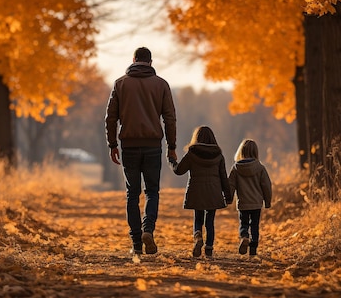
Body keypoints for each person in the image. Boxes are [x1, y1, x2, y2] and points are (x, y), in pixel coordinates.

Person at [105, 47, 177, 256]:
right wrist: (171, 147)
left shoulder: (120, 84)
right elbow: (170, 118)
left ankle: (136, 243)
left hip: (129, 146)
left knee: (132, 194)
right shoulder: (161, 85)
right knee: (152, 191)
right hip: (153, 145)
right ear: (151, 62)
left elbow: (110, 117)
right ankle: (148, 230)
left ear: (134, 60)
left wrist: (112, 144)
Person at [169, 126, 230, 258]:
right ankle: (208, 250)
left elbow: (179, 170)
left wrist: (172, 161)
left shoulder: (192, 154)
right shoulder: (218, 156)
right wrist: (228, 195)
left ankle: (197, 236)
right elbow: (223, 177)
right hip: (214, 192)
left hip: (196, 191)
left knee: (198, 217)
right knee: (210, 221)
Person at [228, 139, 272, 256]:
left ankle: (244, 236)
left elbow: (230, 185)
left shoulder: (236, 168)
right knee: (254, 226)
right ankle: (253, 251)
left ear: (241, 151)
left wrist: (228, 198)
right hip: (256, 203)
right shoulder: (260, 168)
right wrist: (267, 201)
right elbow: (266, 185)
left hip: (243, 203)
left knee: (244, 224)